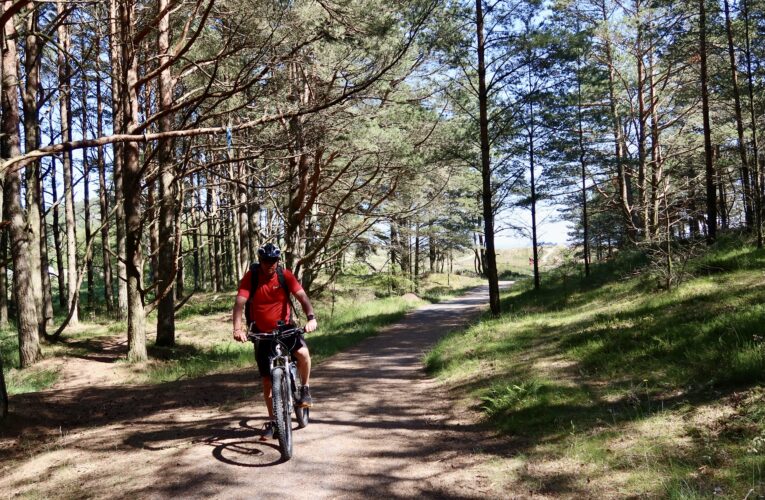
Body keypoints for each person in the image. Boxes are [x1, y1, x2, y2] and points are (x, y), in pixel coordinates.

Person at [232, 243, 318, 440]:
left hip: (285, 328)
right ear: (260, 260)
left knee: (303, 354)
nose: (269, 264)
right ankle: (273, 420)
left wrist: (311, 317)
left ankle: (304, 389)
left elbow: (302, 297)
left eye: (273, 261)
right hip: (261, 333)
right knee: (267, 380)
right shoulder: (251, 277)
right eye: (266, 261)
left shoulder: (284, 275)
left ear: (278, 261)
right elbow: (239, 303)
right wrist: (238, 329)